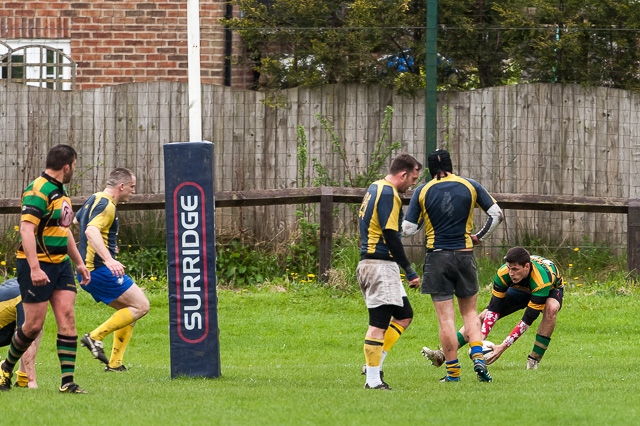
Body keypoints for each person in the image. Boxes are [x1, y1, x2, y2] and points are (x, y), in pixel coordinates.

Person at [403, 148, 503, 382]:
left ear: (429, 169)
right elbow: (496, 214)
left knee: (446, 320)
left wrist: (421, 224)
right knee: (469, 313)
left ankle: (453, 373)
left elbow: (407, 229)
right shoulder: (470, 185)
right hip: (464, 255)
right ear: (451, 164)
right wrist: (478, 237)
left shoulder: (422, 191)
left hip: (437, 258)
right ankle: (479, 358)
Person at [0, 144, 91, 393]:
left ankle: (67, 382)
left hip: (60, 265)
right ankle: (6, 367)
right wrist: (34, 268)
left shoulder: (61, 191)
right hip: (37, 266)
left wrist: (80, 263)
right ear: (67, 166)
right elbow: (27, 230)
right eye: (74, 165)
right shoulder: (37, 190)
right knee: (32, 326)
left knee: (67, 318)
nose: (74, 169)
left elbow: (63, 230)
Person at [423, 247, 563, 370]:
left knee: (551, 309)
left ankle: (533, 360)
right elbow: (494, 310)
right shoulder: (503, 273)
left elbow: (527, 320)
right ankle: (442, 355)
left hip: (550, 290)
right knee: (484, 315)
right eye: (509, 268)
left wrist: (502, 347)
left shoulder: (541, 280)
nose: (511, 273)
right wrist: (479, 342)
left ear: (527, 266)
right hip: (520, 289)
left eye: (515, 269)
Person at [357, 153, 422, 390]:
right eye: (413, 178)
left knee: (404, 314)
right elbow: (390, 235)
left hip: (373, 264)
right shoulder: (388, 194)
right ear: (403, 174)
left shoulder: (375, 187)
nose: (413, 183)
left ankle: (374, 364)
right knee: (378, 323)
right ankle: (373, 381)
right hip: (379, 266)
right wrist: (409, 269)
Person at [75, 168, 150, 372]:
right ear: (121, 186)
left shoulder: (94, 198)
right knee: (141, 306)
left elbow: (77, 221)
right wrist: (108, 259)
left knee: (128, 311)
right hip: (98, 270)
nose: (133, 191)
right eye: (132, 187)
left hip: (86, 270)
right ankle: (94, 337)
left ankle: (115, 364)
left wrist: (106, 244)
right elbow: (91, 230)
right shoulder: (107, 205)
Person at [0, 278, 43, 388]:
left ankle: (23, 378)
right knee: (30, 329)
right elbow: (26, 334)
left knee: (36, 327)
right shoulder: (26, 293)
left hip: (4, 327)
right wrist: (33, 381)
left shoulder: (20, 281)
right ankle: (28, 379)